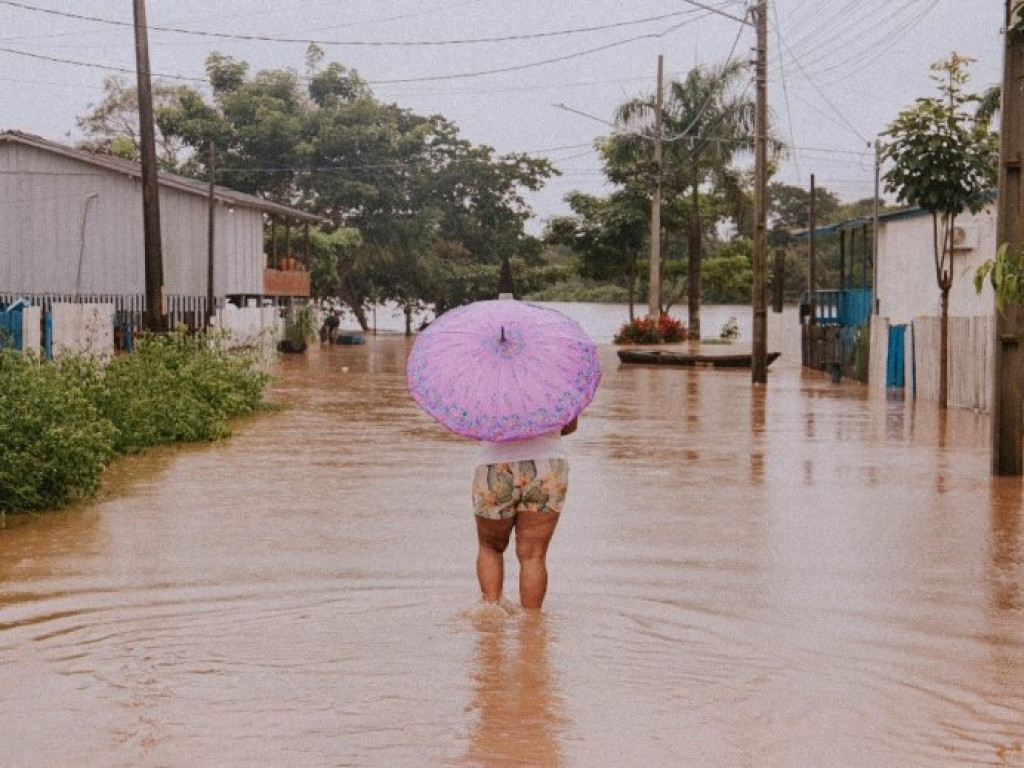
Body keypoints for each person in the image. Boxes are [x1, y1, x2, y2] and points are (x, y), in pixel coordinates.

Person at [471, 416, 577, 610]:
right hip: (548, 463)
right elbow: (569, 427)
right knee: (533, 555)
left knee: (491, 547)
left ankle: (491, 618)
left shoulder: (485, 386)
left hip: (495, 461)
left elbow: (473, 428)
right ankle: (532, 627)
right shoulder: (557, 385)